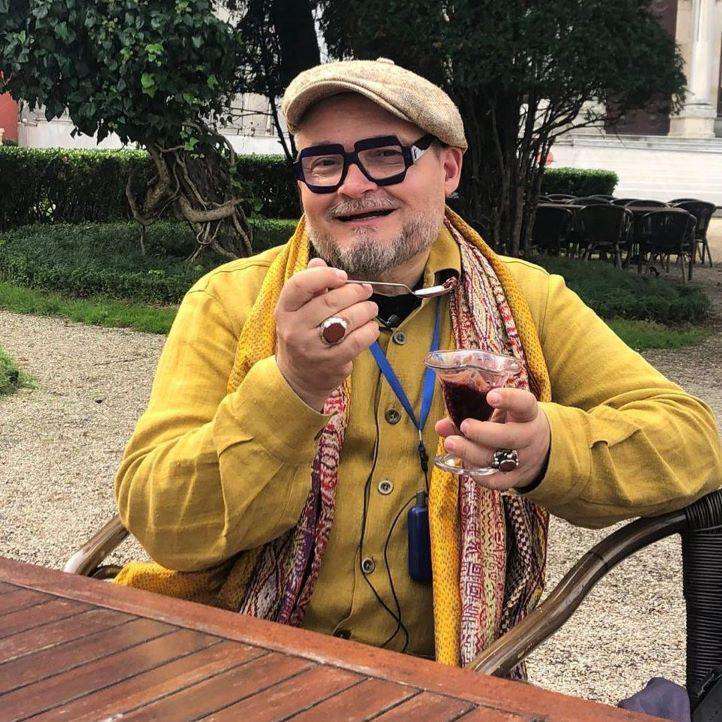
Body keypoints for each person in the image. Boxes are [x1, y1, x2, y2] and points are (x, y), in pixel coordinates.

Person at [114, 58, 721, 670]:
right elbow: (163, 526)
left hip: (450, 679)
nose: (352, 186)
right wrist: (290, 388)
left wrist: (546, 451)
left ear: (449, 168)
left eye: (384, 155)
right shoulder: (231, 301)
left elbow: (693, 441)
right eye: (323, 162)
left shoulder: (528, 301)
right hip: (245, 659)